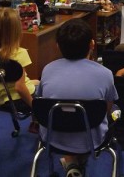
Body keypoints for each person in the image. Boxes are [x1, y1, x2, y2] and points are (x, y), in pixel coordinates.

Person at [37, 18, 118, 177]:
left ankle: (71, 162)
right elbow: (105, 111)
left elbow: (41, 100)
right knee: (108, 113)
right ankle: (75, 162)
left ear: (58, 46)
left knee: (72, 115)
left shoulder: (48, 70)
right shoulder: (105, 74)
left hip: (52, 138)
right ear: (92, 45)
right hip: (91, 140)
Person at [0, 7, 39, 132]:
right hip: (20, 102)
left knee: (36, 82)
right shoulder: (20, 53)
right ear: (16, 31)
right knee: (43, 86)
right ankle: (36, 121)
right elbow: (19, 88)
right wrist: (34, 107)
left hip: (1, 99)